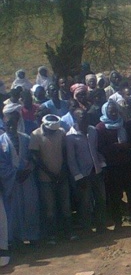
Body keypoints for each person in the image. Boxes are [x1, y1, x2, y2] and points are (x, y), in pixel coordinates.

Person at [29, 114, 76, 242]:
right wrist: (49, 173)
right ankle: (52, 235)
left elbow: (65, 152)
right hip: (45, 179)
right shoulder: (35, 135)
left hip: (62, 176)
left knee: (66, 207)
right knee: (49, 209)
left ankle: (68, 232)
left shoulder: (61, 132)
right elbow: (35, 158)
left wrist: (62, 170)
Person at [1, 103, 39, 247]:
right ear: (4, 122)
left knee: (30, 208)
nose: (11, 125)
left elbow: (32, 158)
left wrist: (27, 170)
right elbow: (1, 165)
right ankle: (16, 239)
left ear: (18, 122)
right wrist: (15, 174)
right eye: (9, 123)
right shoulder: (0, 142)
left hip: (27, 180)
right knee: (14, 212)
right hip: (11, 183)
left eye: (14, 122)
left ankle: (33, 236)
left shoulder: (26, 138)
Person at [66, 108, 107, 234]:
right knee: (85, 203)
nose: (84, 120)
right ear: (76, 119)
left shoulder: (93, 131)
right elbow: (71, 160)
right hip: (83, 174)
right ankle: (87, 229)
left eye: (86, 117)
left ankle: (101, 226)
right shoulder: (70, 136)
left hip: (96, 170)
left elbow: (96, 150)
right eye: (81, 118)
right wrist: (78, 177)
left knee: (101, 199)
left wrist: (102, 165)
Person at [96, 100, 131, 229]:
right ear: (105, 111)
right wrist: (117, 147)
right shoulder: (100, 128)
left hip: (127, 163)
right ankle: (118, 221)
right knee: (115, 195)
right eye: (110, 110)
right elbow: (100, 148)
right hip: (112, 166)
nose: (114, 112)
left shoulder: (123, 124)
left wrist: (126, 146)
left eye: (115, 110)